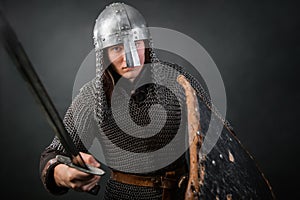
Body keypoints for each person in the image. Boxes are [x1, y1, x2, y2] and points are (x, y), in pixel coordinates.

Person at [39, 2, 275, 200]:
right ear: (104, 54)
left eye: (135, 45)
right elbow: (52, 155)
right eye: (117, 48)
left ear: (146, 44)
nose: (128, 58)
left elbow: (220, 139)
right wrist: (63, 174)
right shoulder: (93, 98)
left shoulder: (177, 81)